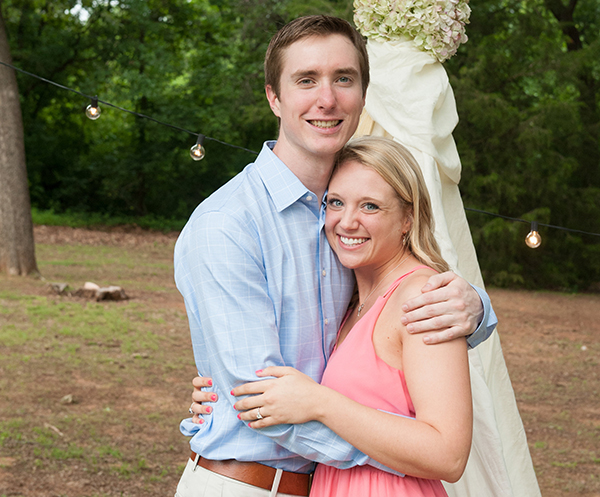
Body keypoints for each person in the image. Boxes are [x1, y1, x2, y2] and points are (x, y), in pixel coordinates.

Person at [175, 15, 495, 497]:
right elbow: (260, 407)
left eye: (343, 79)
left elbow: (391, 313)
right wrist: (404, 452)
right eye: (306, 80)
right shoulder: (228, 224)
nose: (327, 99)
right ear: (274, 98)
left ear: (363, 95)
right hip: (252, 486)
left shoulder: (349, 225)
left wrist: (475, 307)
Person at [231, 135, 472, 496]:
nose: (346, 222)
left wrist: (320, 402)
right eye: (336, 202)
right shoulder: (351, 298)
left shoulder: (423, 298)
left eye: (370, 206)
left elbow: (448, 454)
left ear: (408, 218)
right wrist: (221, 395)